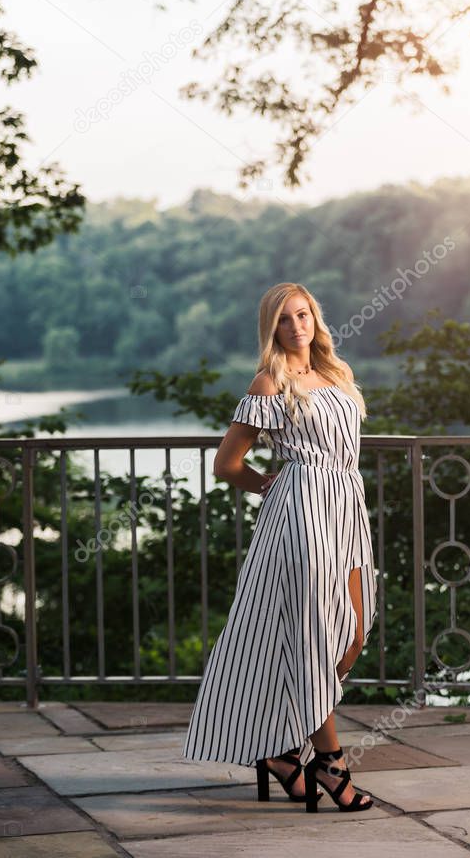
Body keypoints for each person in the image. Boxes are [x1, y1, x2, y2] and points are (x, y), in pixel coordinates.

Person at [182, 282, 377, 813]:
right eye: (285, 320)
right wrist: (269, 483)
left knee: (353, 632)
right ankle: (330, 762)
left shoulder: (335, 374)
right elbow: (227, 464)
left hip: (345, 509)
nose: (297, 326)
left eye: (304, 314)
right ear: (272, 329)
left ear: (316, 317)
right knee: (317, 635)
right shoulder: (271, 382)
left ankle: (283, 750)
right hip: (301, 517)